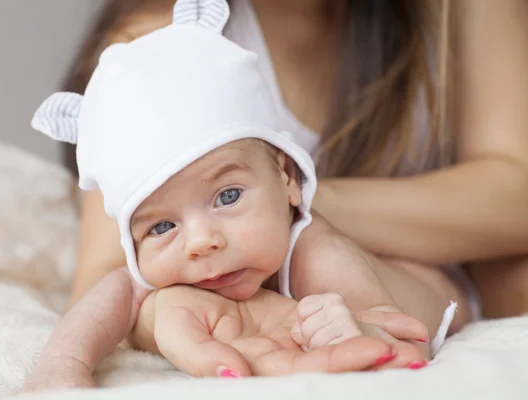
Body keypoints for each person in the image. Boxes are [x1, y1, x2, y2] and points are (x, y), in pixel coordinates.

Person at [23, 4, 444, 390]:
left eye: (227, 196)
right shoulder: (159, 273)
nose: (202, 241)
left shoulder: (314, 252)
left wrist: (360, 327)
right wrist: (64, 363)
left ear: (287, 177)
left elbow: (409, 341)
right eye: (163, 226)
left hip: (424, 278)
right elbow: (97, 306)